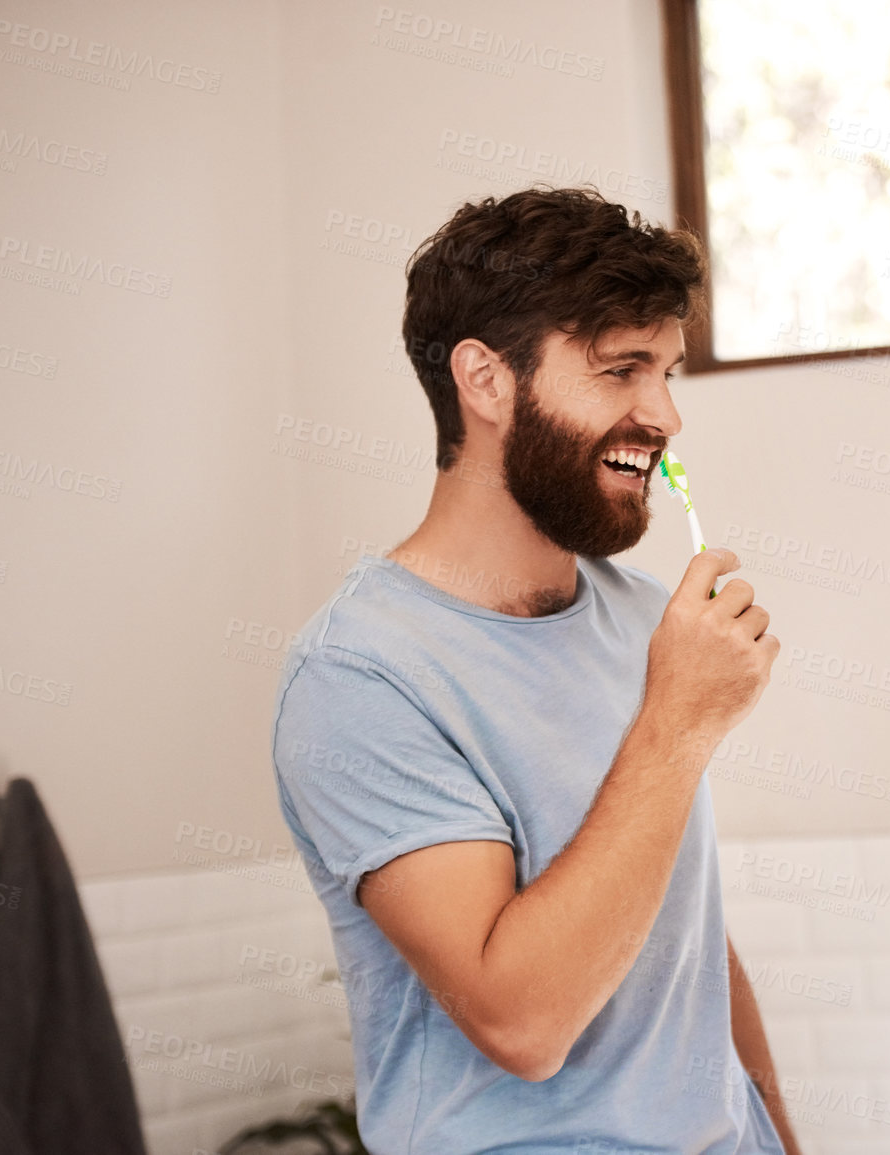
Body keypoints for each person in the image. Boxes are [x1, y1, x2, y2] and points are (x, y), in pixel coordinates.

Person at [270, 186, 797, 1154]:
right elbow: (522, 1021)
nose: (665, 414)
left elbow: (682, 946)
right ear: (485, 380)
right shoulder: (360, 678)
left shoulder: (651, 621)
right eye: (621, 370)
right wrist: (679, 722)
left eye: (668, 371)